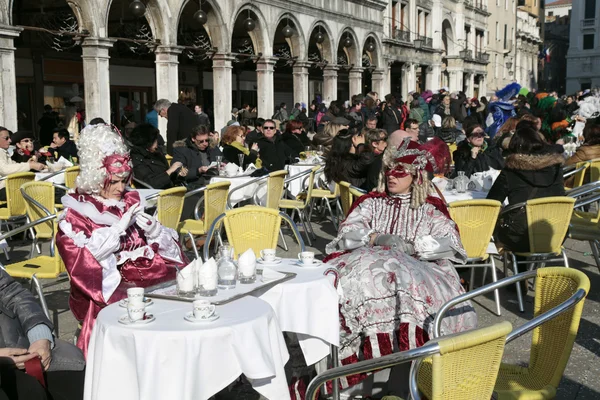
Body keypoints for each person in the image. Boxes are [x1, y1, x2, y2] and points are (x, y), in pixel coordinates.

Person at [323, 137, 475, 396]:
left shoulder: (430, 209)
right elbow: (346, 235)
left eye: (400, 172)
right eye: (388, 171)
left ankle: (406, 379)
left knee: (407, 289)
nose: (392, 176)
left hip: (418, 275)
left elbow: (452, 245)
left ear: (416, 177)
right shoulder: (371, 202)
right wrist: (375, 238)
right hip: (366, 277)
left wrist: (415, 246)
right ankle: (352, 382)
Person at [56, 124, 186, 357]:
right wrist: (116, 230)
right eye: (114, 181)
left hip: (148, 276)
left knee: (186, 289)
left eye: (124, 180)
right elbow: (81, 264)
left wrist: (155, 231)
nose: (121, 188)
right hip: (108, 285)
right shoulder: (77, 213)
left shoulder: (129, 201)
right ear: (97, 179)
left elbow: (162, 248)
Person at [0, 269, 85, 400]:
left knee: (75, 366)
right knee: (30, 389)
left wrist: (40, 335)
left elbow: (14, 293)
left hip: (17, 344)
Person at [487, 122, 565, 253]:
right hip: (556, 231)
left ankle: (520, 270)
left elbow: (492, 202)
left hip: (521, 236)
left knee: (498, 225)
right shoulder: (555, 168)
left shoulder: (511, 170)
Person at [129, 123, 187, 189]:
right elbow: (150, 184)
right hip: (154, 196)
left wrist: (178, 175)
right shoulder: (137, 159)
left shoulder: (157, 153)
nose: (156, 145)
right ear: (147, 142)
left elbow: (168, 178)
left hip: (168, 192)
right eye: (154, 141)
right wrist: (170, 171)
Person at [0, 127, 46, 200]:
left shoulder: (3, 152)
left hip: (9, 187)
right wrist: (29, 165)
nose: (10, 140)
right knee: (38, 192)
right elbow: (5, 169)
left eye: (31, 141)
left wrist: (29, 164)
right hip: (3, 189)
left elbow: (13, 165)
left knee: (39, 190)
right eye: (6, 138)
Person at [172, 125, 223, 189]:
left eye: (206, 140)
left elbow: (223, 159)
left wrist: (223, 164)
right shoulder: (182, 150)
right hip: (195, 186)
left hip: (216, 183)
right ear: (193, 139)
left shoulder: (212, 147)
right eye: (201, 141)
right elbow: (177, 172)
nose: (205, 143)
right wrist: (198, 171)